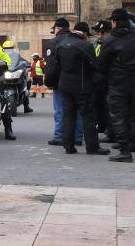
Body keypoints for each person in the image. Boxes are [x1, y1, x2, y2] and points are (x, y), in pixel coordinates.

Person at [47, 22, 109, 156]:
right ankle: (92, 147)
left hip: (64, 85)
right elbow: (93, 66)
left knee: (68, 115)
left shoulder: (61, 45)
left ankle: (68, 145)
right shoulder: (86, 46)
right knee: (88, 116)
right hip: (82, 85)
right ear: (85, 34)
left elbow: (55, 66)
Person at [97, 9, 135, 162]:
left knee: (118, 116)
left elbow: (102, 64)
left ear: (114, 22)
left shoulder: (110, 39)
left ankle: (125, 151)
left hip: (117, 83)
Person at [45, 17, 82, 147]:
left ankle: (60, 136)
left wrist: (49, 82)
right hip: (78, 81)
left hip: (60, 82)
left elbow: (51, 66)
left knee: (60, 110)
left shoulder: (52, 43)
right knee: (77, 110)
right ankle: (77, 137)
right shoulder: (78, 41)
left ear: (58, 28)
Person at [92, 20, 114, 142]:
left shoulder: (110, 45)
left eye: (102, 33)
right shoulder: (97, 44)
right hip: (97, 81)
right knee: (98, 106)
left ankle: (111, 132)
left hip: (107, 81)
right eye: (98, 33)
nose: (99, 35)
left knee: (107, 107)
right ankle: (103, 127)